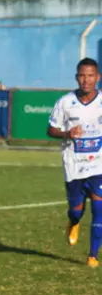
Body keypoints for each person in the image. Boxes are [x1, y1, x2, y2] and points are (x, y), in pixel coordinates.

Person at [48, 57, 102, 268]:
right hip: (73, 165)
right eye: (82, 75)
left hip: (98, 164)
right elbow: (50, 129)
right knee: (76, 210)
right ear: (76, 78)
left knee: (99, 208)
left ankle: (93, 256)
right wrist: (67, 133)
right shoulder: (65, 102)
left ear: (97, 77)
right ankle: (74, 221)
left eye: (90, 75)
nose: (86, 80)